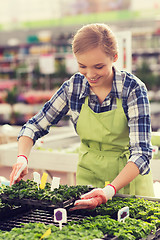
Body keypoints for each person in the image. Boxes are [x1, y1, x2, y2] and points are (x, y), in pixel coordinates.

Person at [10, 23, 154, 210]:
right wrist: (22, 157)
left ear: (115, 57)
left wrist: (108, 191)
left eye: (99, 66)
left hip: (129, 182)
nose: (91, 75)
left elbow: (142, 153)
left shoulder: (133, 89)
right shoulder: (73, 87)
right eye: (82, 66)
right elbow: (34, 126)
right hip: (89, 180)